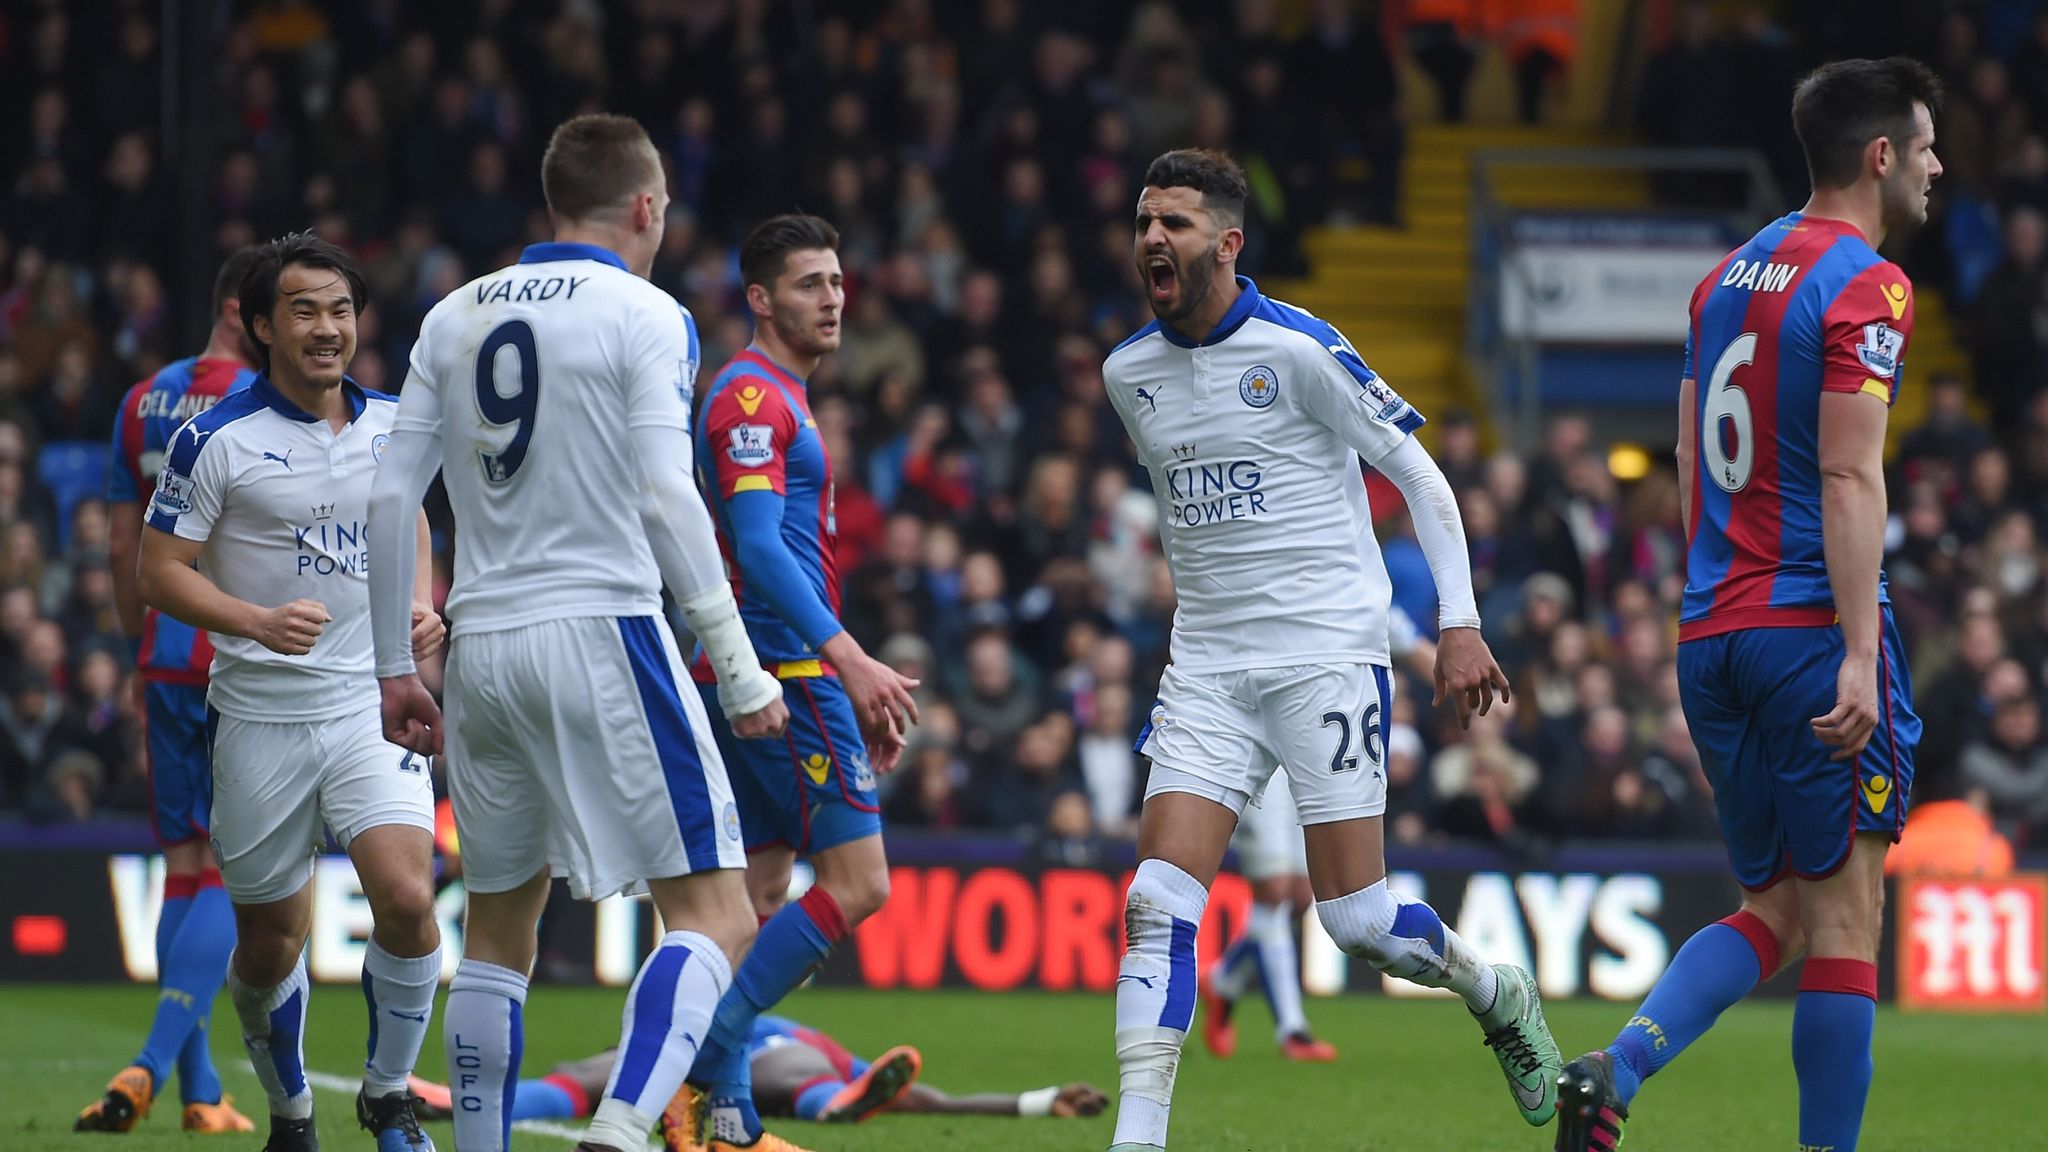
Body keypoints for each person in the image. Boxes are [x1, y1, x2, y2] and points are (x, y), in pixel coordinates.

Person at [1101, 148, 1559, 1152]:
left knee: (1353, 923)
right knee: (1154, 900)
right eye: (1142, 221)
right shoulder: (1126, 374)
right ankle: (1136, 1141)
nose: (1149, 240)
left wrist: (1458, 621)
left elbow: (1423, 481)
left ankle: (1494, 992)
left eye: (1172, 223)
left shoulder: (1300, 350)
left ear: (1226, 241)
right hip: (1208, 669)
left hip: (1323, 658)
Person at [364, 113, 787, 1152]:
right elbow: (661, 491)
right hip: (602, 627)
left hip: (480, 645)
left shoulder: (451, 315)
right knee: (716, 916)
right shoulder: (647, 312)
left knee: (499, 930)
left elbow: (386, 500)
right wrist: (735, 667)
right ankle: (623, 1128)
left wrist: (390, 668)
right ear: (645, 207)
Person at [1552, 57, 1943, 1152]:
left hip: (1711, 628)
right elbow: (1847, 477)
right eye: (1921, 147)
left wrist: (1713, 598)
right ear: (1878, 157)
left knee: (1769, 908)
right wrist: (1857, 654)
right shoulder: (1868, 285)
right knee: (1844, 926)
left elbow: (1687, 452)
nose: (1935, 166)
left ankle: (1618, 1063)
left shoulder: (1722, 278)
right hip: (1807, 631)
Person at [137, 233, 447, 1152]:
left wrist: (421, 608)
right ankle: (291, 1113)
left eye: (342, 309)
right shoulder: (215, 437)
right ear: (263, 324)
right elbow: (160, 571)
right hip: (262, 714)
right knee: (271, 940)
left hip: (369, 701)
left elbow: (411, 521)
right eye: (305, 310)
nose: (327, 328)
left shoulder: (399, 423)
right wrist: (251, 619)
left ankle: (389, 1098)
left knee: (408, 897)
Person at [678, 213, 920, 1152]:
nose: (833, 299)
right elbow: (755, 548)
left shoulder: (779, 395)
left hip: (760, 668)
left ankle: (724, 1122)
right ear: (760, 299)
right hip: (786, 666)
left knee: (761, 893)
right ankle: (715, 1045)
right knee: (859, 885)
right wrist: (848, 659)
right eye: (810, 284)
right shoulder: (750, 400)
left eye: (837, 281)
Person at [74, 246, 263, 1137]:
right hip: (235, 652)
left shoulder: (140, 399)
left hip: (162, 650)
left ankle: (197, 1092)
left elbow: (121, 545)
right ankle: (152, 1066)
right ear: (242, 308)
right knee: (226, 868)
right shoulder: (259, 405)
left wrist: (134, 640)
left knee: (183, 866)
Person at [1200, 605, 1436, 1064]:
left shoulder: (1346, 568)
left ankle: (1225, 979)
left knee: (1302, 893)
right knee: (1274, 889)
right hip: (1253, 733)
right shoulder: (1268, 557)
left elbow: (1402, 633)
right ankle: (1293, 1030)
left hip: (1314, 741)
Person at [405, 1014, 1108, 1142]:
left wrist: (1037, 1102)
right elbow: (933, 1098)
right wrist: (1036, 1102)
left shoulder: (774, 1024)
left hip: (714, 1055)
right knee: (800, 1073)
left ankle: (454, 1100)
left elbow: (935, 1099)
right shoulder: (802, 1033)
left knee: (600, 1072)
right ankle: (837, 1105)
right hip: (777, 1063)